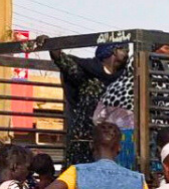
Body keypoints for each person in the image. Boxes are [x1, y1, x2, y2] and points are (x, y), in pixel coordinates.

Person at [42, 35, 130, 166]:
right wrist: (50, 45)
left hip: (114, 144)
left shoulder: (124, 80)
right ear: (112, 51)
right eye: (123, 49)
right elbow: (64, 63)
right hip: (83, 142)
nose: (127, 53)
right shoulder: (87, 74)